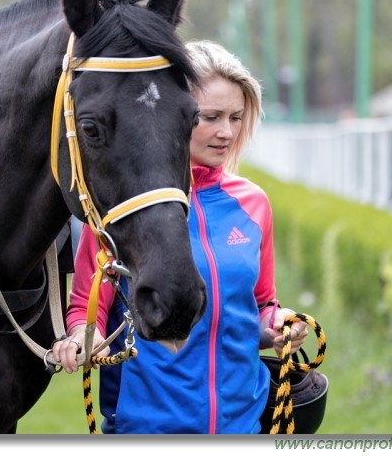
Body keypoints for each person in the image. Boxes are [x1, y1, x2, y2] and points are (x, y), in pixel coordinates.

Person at [52, 40, 308, 434]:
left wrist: (280, 323)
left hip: (246, 426)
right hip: (146, 429)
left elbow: (260, 305)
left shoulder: (253, 204)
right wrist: (84, 339)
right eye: (211, 117)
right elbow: (88, 309)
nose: (226, 132)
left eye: (236, 118)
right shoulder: (121, 208)